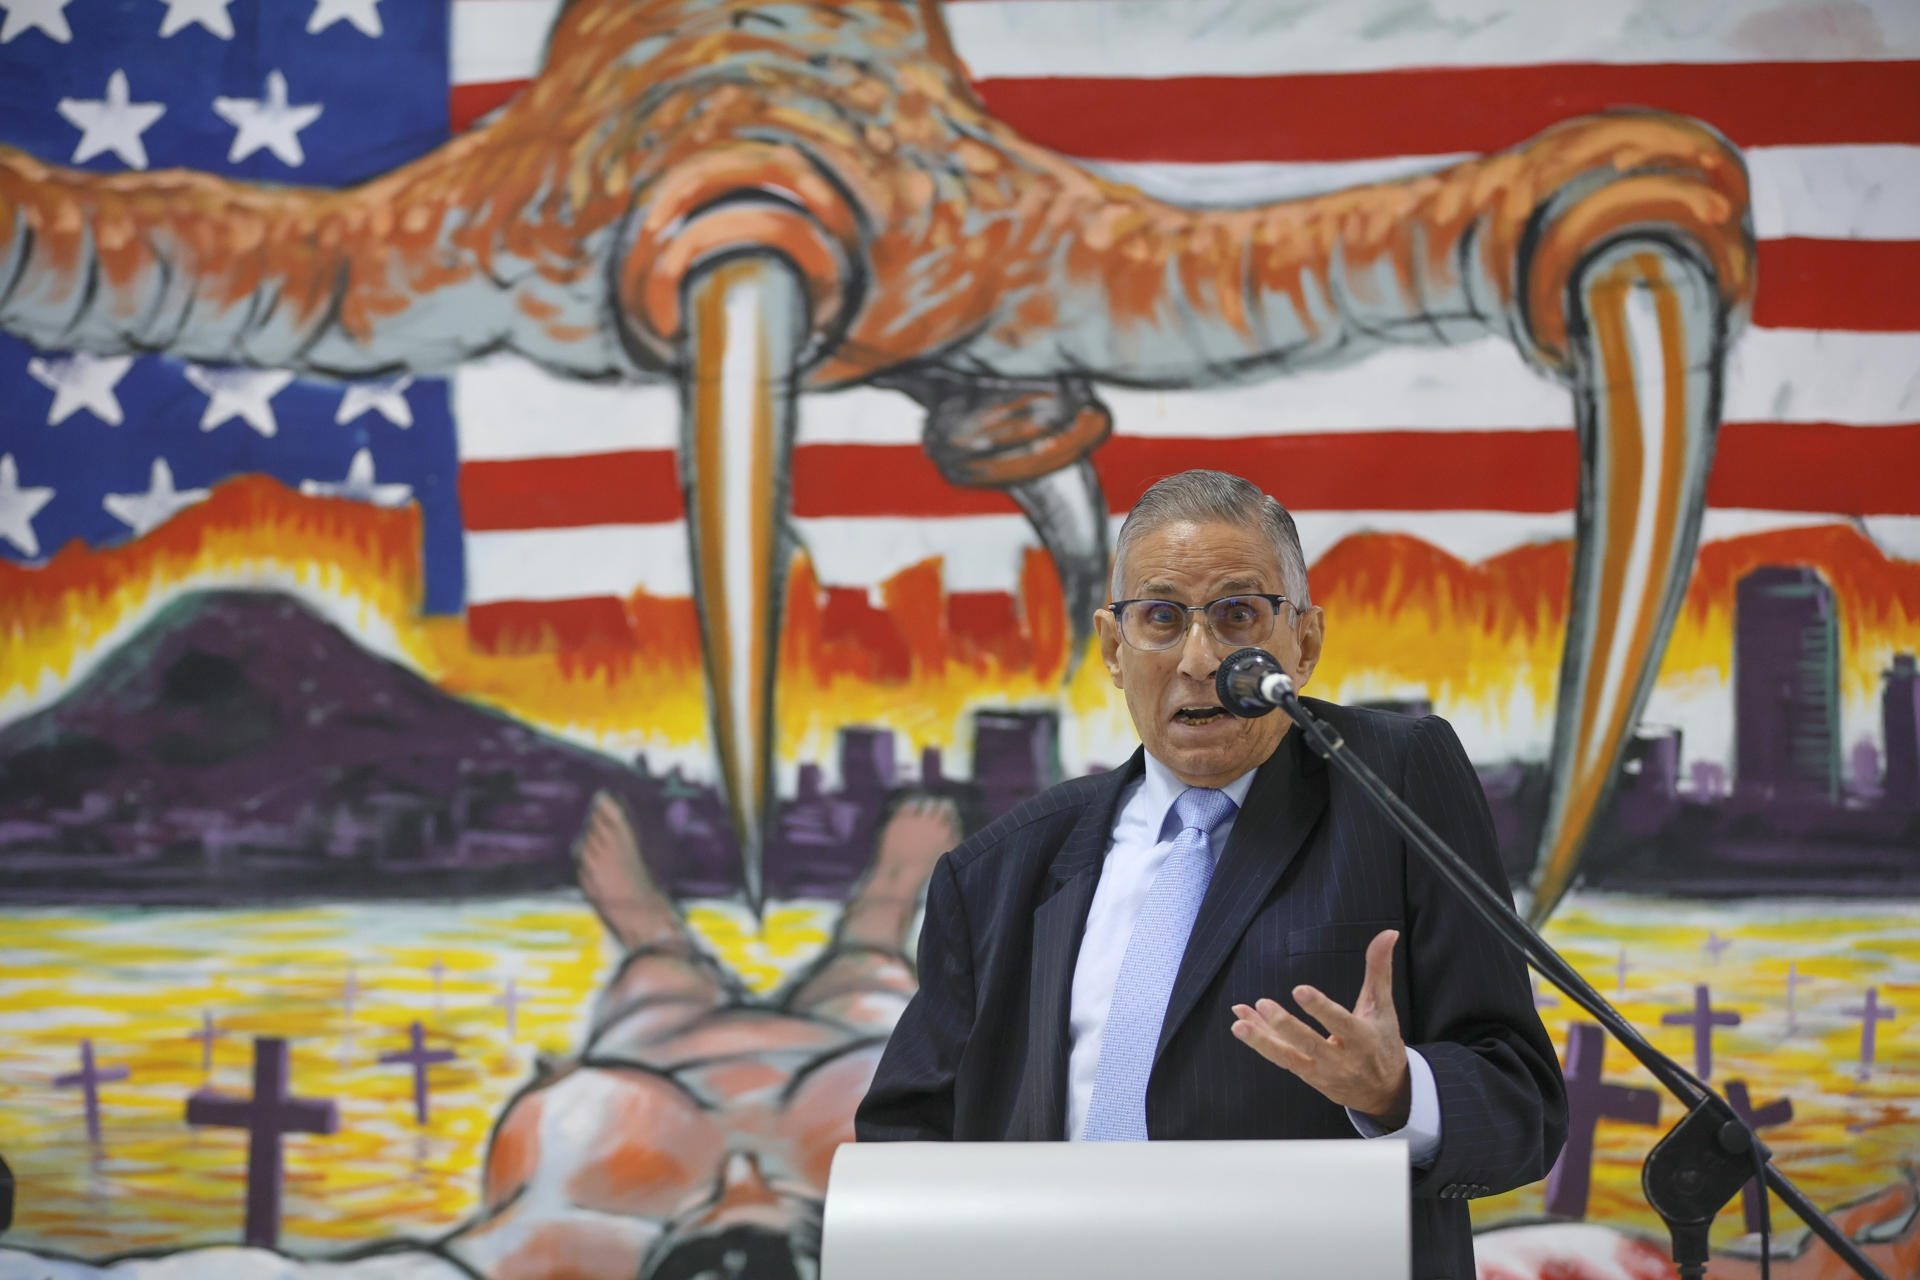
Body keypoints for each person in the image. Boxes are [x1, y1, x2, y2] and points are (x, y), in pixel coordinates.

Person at [855, 469, 1567, 1278]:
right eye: (1160, 618)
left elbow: (1522, 1105)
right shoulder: (1001, 871)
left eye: (1237, 615)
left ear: (1304, 641)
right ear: (1114, 650)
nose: (1201, 659)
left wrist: (1399, 1091)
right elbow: (904, 1142)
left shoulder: (1390, 785)